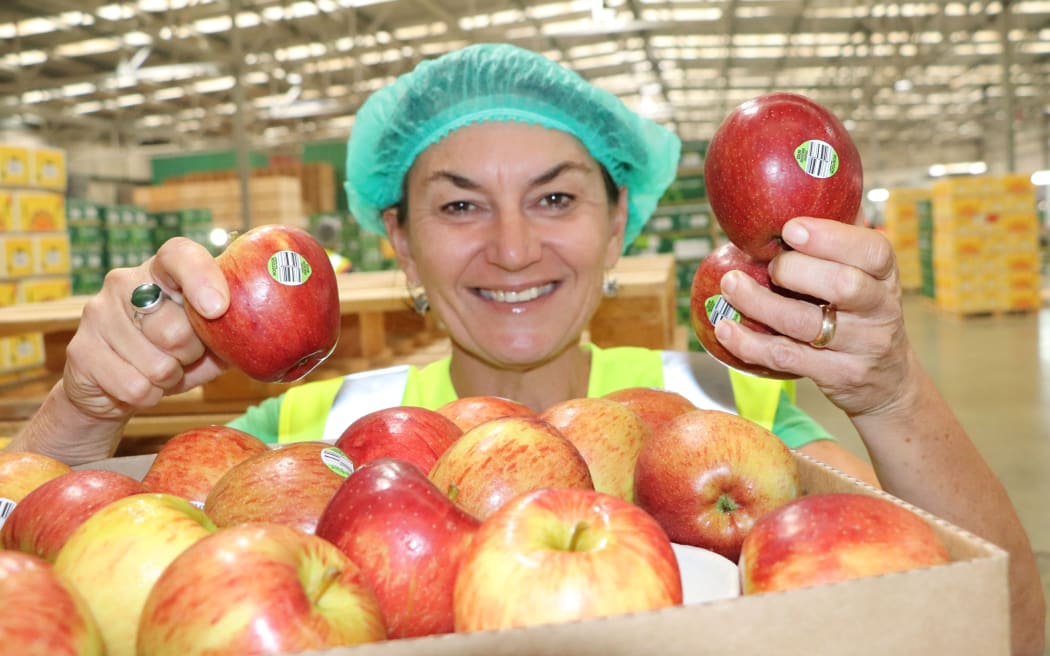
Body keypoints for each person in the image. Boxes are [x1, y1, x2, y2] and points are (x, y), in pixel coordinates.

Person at [4, 44, 1043, 654]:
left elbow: (999, 617)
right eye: (459, 205)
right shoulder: (302, 432)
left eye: (554, 196)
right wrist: (86, 407)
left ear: (618, 216)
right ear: (397, 236)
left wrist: (891, 389)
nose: (511, 246)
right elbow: (48, 574)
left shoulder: (737, 414)